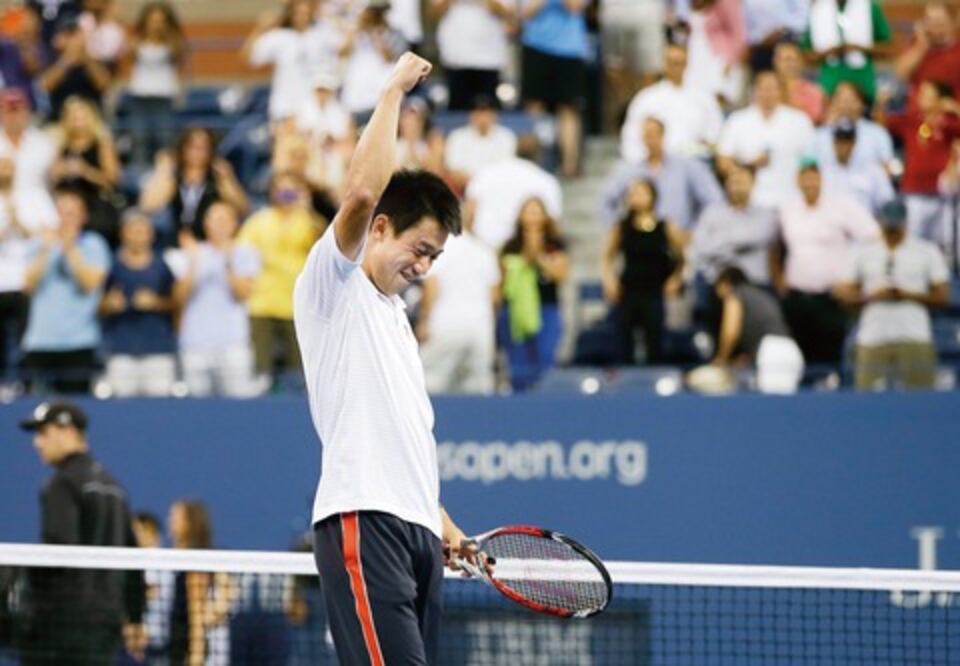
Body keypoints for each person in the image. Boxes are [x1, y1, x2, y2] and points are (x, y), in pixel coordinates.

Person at [292, 52, 473, 665]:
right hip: (363, 521)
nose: (422, 267)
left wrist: (440, 521)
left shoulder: (397, 324)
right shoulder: (331, 287)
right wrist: (393, 88)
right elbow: (364, 190)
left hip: (418, 531)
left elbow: (401, 439)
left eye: (434, 259)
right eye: (418, 248)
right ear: (381, 229)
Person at [18, 400, 146, 665]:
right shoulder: (113, 486)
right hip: (104, 625)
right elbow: (134, 559)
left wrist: (25, 591)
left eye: (44, 433)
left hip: (62, 625)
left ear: (67, 431)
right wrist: (135, 617)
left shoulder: (61, 483)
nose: (37, 443)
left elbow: (57, 550)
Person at [834, 198, 950, 390]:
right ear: (880, 222)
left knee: (921, 400)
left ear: (906, 223)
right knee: (867, 402)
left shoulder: (926, 250)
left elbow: (942, 295)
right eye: (889, 225)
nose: (893, 231)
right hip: (873, 335)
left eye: (896, 225)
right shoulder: (863, 251)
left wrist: (907, 295)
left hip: (914, 334)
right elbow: (843, 293)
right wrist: (872, 296)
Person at [773, 160, 880, 364]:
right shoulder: (788, 210)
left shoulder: (841, 205)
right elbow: (776, 248)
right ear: (797, 181)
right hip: (797, 297)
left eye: (813, 178)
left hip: (831, 298)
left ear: (821, 179)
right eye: (805, 178)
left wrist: (855, 278)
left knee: (829, 359)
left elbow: (873, 237)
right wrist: (779, 279)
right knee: (797, 358)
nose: (809, 183)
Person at [21, 185, 110, 393]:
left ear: (83, 216)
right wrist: (46, 249)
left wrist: (70, 248)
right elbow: (28, 284)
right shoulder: (39, 244)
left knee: (76, 409)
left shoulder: (94, 245)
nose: (64, 219)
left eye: (71, 213)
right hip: (40, 341)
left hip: (79, 341)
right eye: (60, 212)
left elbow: (90, 284)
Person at [167, 201, 261, 398]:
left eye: (224, 219)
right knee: (196, 411)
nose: (219, 225)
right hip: (195, 343)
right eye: (214, 219)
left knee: (238, 409)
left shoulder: (245, 252)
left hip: (233, 342)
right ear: (205, 223)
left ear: (235, 224)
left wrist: (228, 260)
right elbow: (178, 298)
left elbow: (242, 292)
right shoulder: (188, 253)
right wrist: (193, 263)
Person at [238, 171, 320, 388]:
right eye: (281, 188)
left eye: (291, 188)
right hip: (262, 303)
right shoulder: (258, 221)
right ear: (272, 192)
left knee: (299, 370)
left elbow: (324, 248)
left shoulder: (307, 221)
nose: (286, 193)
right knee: (261, 370)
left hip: (297, 304)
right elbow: (243, 254)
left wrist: (308, 210)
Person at [417, 208, 500, 395]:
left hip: (445, 325)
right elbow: (494, 298)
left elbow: (432, 286)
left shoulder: (438, 248)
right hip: (480, 328)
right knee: (477, 390)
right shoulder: (484, 251)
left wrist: (424, 321)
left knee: (428, 383)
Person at [601, 179, 684, 365]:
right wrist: (609, 279)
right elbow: (608, 257)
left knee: (655, 337)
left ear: (652, 196)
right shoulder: (621, 226)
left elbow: (682, 258)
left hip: (655, 290)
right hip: (629, 288)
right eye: (632, 193)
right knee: (624, 338)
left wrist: (676, 278)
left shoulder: (666, 226)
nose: (636, 197)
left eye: (641, 192)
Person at [99, 209, 176, 398]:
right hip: (121, 350)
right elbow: (99, 306)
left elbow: (176, 304)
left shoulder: (162, 265)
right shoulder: (112, 265)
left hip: (157, 349)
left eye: (142, 231)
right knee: (122, 410)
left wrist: (155, 303)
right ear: (123, 233)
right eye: (133, 231)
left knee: (159, 409)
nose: (138, 236)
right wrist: (109, 304)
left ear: (151, 235)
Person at [600, 116, 722, 232]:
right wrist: (618, 231)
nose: (651, 140)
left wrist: (697, 231)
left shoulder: (687, 167)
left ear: (663, 135)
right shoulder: (629, 170)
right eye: (647, 135)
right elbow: (607, 201)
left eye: (654, 134)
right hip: (641, 240)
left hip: (679, 239)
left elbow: (713, 199)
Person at [878, 80, 960, 249]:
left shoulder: (950, 123)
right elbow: (882, 122)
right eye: (920, 93)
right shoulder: (912, 120)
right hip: (914, 193)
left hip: (943, 197)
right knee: (912, 243)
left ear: (940, 98)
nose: (920, 97)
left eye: (926, 94)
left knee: (946, 245)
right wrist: (881, 102)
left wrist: (954, 108)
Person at [499, 197, 570, 391]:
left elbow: (561, 274)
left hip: (545, 309)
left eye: (537, 211)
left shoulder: (555, 245)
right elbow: (502, 281)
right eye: (528, 211)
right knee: (518, 365)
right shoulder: (510, 246)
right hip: (515, 312)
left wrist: (538, 256)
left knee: (545, 360)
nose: (532, 216)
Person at [717, 70, 816, 208]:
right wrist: (745, 169)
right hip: (750, 201)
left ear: (781, 91)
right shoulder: (737, 120)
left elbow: (811, 161)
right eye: (763, 88)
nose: (767, 94)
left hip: (791, 199)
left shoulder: (799, 120)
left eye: (772, 88)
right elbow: (723, 159)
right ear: (754, 91)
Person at [139, 127, 249, 246]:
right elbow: (147, 206)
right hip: (176, 242)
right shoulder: (174, 177)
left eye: (202, 147)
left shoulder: (216, 178)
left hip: (211, 244)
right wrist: (162, 171)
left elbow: (243, 209)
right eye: (191, 146)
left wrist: (228, 179)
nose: (196, 152)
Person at [619, 42, 724, 163]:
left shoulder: (704, 98)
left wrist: (704, 147)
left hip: (695, 161)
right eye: (671, 62)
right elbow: (630, 135)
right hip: (655, 163)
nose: (675, 67)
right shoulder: (645, 98)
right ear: (664, 64)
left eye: (679, 63)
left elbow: (715, 132)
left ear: (686, 64)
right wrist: (641, 163)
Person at [519, 0, 588, 177]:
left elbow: (574, 6)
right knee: (534, 106)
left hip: (569, 49)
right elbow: (526, 13)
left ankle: (569, 166)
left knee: (568, 108)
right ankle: (533, 164)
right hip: (535, 45)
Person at [244, 0, 342, 124]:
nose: (302, 16)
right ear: (291, 14)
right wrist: (261, 27)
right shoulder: (279, 36)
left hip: (316, 110)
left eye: (306, 12)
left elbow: (345, 48)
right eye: (298, 13)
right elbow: (250, 58)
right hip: (285, 108)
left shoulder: (323, 33)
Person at [710, 266, 805, 393]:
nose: (717, 294)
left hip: (773, 355)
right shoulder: (761, 295)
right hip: (791, 352)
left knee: (773, 408)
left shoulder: (735, 293)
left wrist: (721, 359)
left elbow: (731, 332)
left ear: (726, 283)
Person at [167, 500, 234, 666]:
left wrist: (196, 656)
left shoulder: (195, 566)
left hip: (191, 651)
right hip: (179, 647)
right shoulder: (179, 561)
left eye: (175, 517)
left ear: (190, 523)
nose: (169, 520)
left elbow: (196, 615)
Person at [125, 1, 184, 168]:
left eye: (160, 20)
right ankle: (139, 176)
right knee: (139, 139)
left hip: (163, 97)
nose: (156, 24)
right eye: (152, 20)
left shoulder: (172, 42)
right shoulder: (136, 42)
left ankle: (166, 175)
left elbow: (178, 52)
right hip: (140, 96)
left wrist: (166, 33)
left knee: (164, 140)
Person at [802, 0, 892, 103]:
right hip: (830, 80)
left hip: (863, 80)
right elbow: (805, 54)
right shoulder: (818, 9)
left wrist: (860, 48)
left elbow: (889, 47)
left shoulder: (870, 7)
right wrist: (828, 52)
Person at [432, 0, 513, 112]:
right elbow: (434, 12)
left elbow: (507, 12)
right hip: (455, 58)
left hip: (489, 59)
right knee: (456, 112)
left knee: (488, 111)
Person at [894, 3, 960, 115]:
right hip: (917, 117)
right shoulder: (918, 46)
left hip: (950, 118)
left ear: (951, 22)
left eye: (939, 21)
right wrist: (922, 47)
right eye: (929, 21)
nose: (933, 26)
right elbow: (900, 73)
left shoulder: (957, 51)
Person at [443, 94, 516, 191]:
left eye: (487, 112)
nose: (483, 117)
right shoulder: (457, 137)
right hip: (464, 190)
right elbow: (453, 171)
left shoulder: (506, 137)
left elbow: (507, 170)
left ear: (495, 115)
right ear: (471, 115)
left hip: (497, 189)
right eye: (479, 112)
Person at [819, 122, 894, 213]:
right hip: (830, 224)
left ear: (854, 143)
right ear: (833, 143)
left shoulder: (871, 171)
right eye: (840, 142)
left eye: (847, 142)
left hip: (864, 224)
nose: (843, 146)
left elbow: (887, 202)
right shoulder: (823, 172)